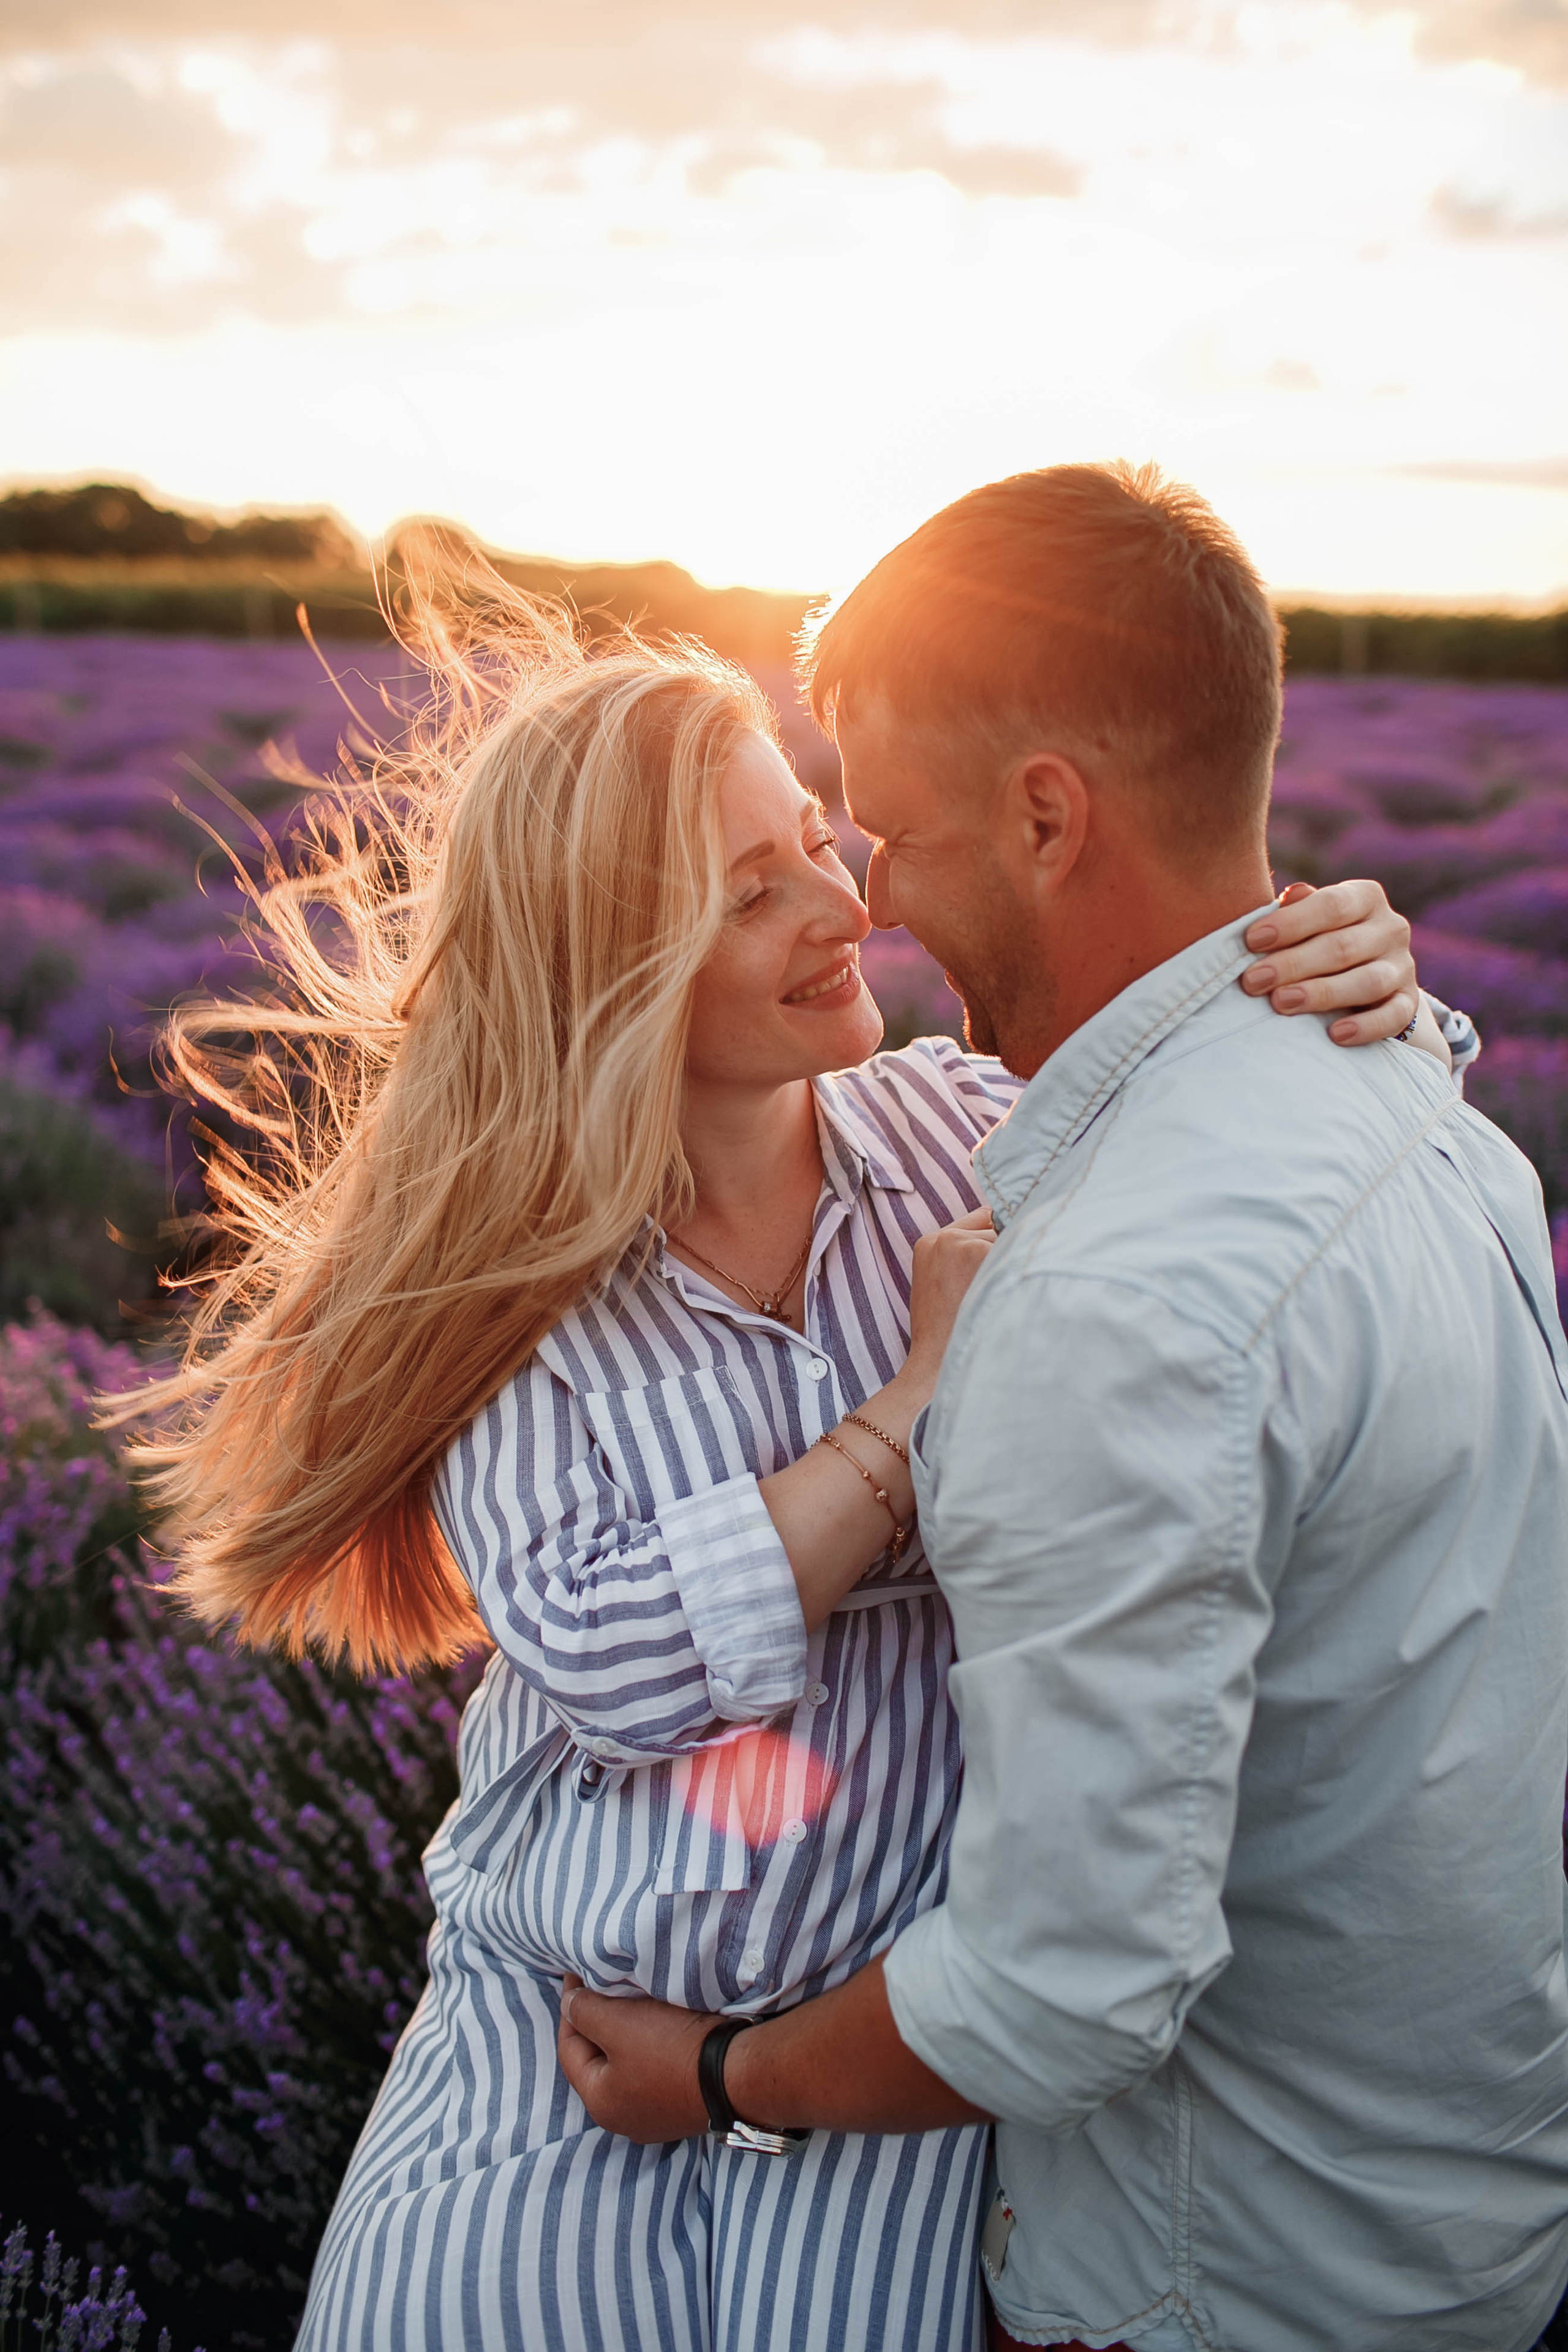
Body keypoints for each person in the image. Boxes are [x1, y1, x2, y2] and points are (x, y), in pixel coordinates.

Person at [127, 544, 1449, 2352]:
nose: (846, 904)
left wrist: (1360, 977)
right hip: (561, 2061)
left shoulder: (964, 1125)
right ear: (618, 974)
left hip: (874, 2083)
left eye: (818, 841)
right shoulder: (518, 1294)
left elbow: (1265, 1155)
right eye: (757, 894)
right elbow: (612, 1657)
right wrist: (915, 1409)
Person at [557, 464, 1568, 2352]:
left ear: (1045, 815)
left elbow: (1059, 1993)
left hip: (1220, 2281)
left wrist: (719, 2075)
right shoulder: (1436, 1121)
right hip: (1460, 2216)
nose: (870, 895)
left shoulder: (1111, 1302)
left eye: (887, 832)